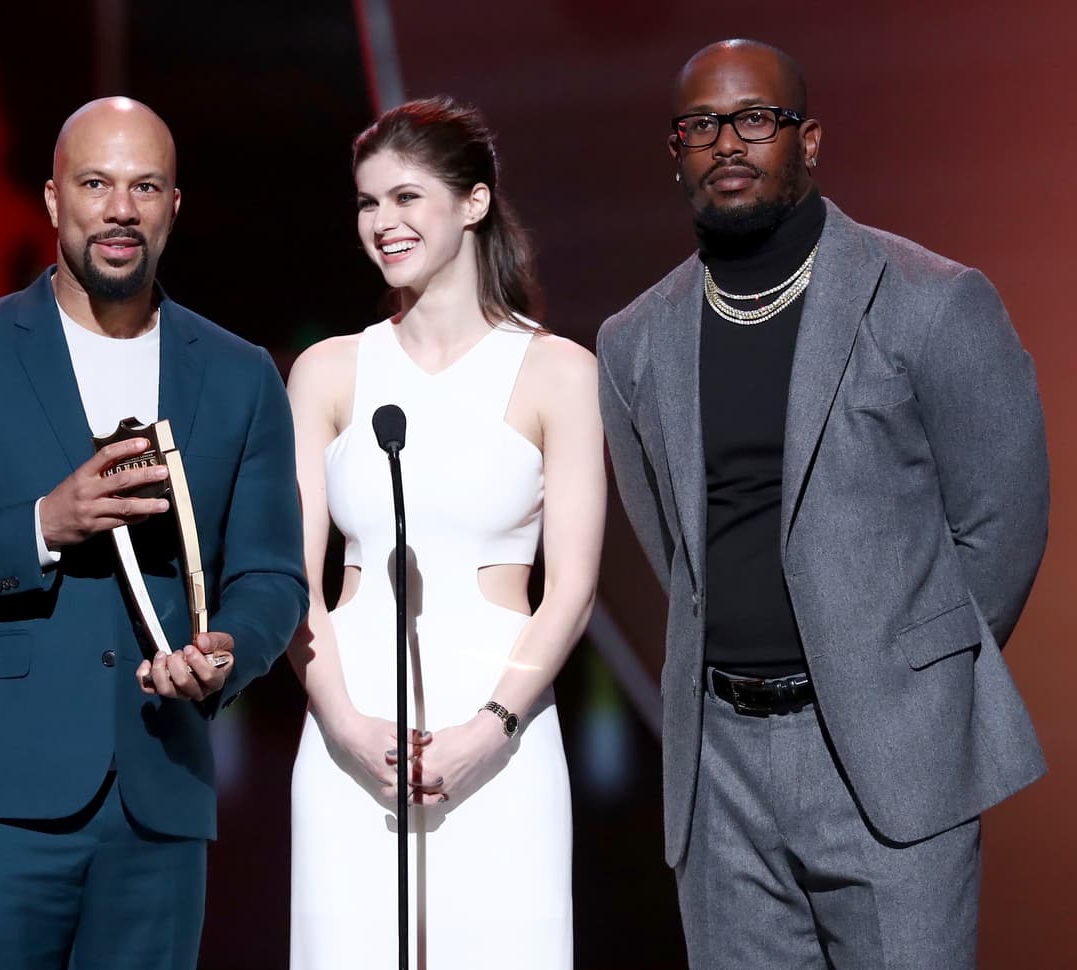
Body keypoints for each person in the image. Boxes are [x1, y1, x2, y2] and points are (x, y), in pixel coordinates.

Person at [598, 39, 1049, 968]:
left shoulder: (932, 301)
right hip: (718, 767)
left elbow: (1004, 520)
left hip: (889, 756)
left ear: (808, 142)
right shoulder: (635, 340)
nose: (729, 142)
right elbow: (669, 542)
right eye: (703, 126)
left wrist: (907, 680)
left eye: (756, 119)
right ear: (676, 150)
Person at [0, 97, 308, 969]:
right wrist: (40, 528)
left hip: (160, 799)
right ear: (54, 199)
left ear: (175, 206)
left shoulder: (240, 375)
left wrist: (228, 651)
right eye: (96, 183)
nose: (120, 208)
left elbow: (274, 575)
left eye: (144, 186)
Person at [285, 96, 605, 969]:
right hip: (351, 728)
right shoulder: (328, 371)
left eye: (405, 197)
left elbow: (570, 585)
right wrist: (346, 725)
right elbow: (294, 579)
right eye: (366, 203)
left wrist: (489, 729)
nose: (382, 222)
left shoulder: (557, 370)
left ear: (473, 203)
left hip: (500, 732)